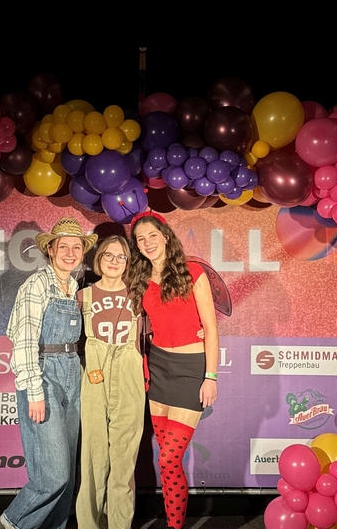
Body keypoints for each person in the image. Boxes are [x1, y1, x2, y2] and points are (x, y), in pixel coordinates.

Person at [0, 217, 98, 529]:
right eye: (64, 247)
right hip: (43, 374)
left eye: (77, 247)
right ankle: (6, 524)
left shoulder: (74, 287)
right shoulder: (36, 285)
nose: (70, 253)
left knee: (67, 474)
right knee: (52, 474)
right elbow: (24, 341)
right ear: (51, 250)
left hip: (72, 372)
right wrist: (34, 391)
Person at [126, 212, 219, 529]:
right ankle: (173, 523)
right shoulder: (140, 280)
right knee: (166, 462)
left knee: (169, 457)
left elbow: (211, 328)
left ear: (165, 237)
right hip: (159, 369)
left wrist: (211, 376)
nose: (147, 243)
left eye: (152, 235)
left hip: (191, 371)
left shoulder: (193, 272)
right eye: (141, 239)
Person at [75, 235, 144, 529]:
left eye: (121, 257)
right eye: (108, 255)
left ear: (128, 263)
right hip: (94, 377)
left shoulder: (139, 296)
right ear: (98, 259)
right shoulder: (82, 297)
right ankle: (89, 524)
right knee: (93, 454)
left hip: (129, 377)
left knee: (124, 458)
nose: (114, 261)